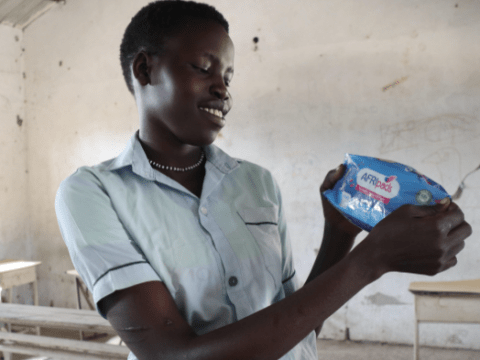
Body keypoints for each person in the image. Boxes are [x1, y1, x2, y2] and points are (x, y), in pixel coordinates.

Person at [55, 1, 472, 359]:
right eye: (204, 67)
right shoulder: (93, 192)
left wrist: (339, 236)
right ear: (145, 69)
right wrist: (371, 261)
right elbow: (171, 354)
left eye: (229, 78)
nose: (223, 89)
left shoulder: (256, 183)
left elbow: (297, 322)